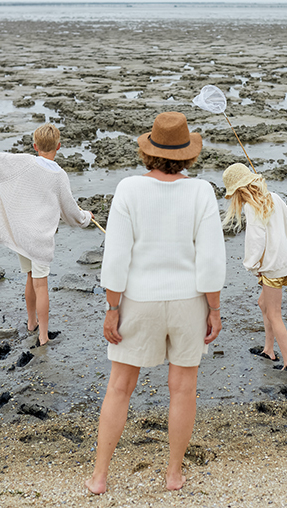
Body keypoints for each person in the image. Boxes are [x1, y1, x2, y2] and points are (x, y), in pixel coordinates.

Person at [86, 111, 225, 495]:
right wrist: (214, 308)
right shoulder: (201, 191)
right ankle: (174, 474)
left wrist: (112, 307)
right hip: (189, 302)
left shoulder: (129, 188)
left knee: (119, 388)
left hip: (138, 301)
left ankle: (99, 477)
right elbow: (210, 259)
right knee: (182, 389)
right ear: (187, 155)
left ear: (149, 151)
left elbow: (116, 258)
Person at [0, 112, 92, 347]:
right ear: (59, 146)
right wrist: (87, 217)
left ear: (35, 146)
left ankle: (31, 322)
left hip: (21, 235)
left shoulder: (22, 162)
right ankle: (44, 336)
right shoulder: (59, 175)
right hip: (39, 239)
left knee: (30, 277)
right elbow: (71, 212)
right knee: (41, 284)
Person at [222, 162, 287, 374]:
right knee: (262, 303)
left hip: (272, 269)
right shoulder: (275, 197)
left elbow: (256, 240)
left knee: (274, 314)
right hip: (286, 265)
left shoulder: (251, 207)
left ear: (240, 191)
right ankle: (268, 349)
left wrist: (251, 265)